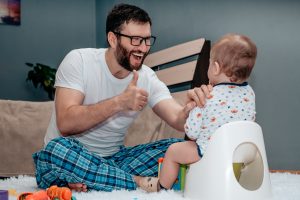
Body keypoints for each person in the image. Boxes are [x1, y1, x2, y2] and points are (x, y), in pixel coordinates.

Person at [32, 3, 210, 192]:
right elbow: (66, 124)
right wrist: (119, 102)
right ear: (112, 38)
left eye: (147, 40)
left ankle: (98, 179)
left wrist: (192, 110)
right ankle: (137, 182)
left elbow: (176, 117)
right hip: (64, 159)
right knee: (57, 150)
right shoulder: (79, 61)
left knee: (178, 147)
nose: (143, 48)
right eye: (135, 40)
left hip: (116, 159)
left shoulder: (146, 77)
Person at [141, 33, 257, 192]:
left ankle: (162, 187)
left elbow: (192, 132)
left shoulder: (207, 96)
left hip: (209, 151)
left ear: (215, 68)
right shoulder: (249, 93)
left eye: (209, 63)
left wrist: (192, 111)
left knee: (173, 150)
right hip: (239, 151)